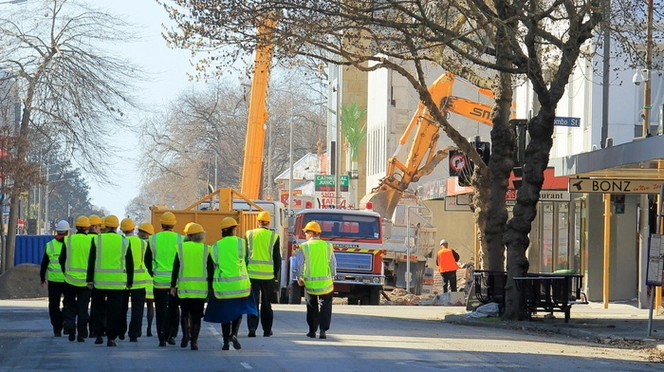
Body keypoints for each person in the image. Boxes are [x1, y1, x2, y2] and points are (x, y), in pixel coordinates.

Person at [204, 217, 257, 351]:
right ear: (233, 229)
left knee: (225, 314)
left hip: (223, 286)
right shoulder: (241, 243)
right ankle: (234, 334)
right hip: (240, 285)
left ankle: (226, 342)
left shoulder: (215, 246)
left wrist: (210, 286)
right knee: (238, 312)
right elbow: (247, 260)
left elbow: (211, 266)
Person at [89, 215, 134, 347]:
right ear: (116, 226)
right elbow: (129, 262)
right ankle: (111, 338)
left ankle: (98, 334)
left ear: (105, 226)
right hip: (117, 282)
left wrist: (89, 280)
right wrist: (130, 280)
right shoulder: (124, 241)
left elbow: (91, 261)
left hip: (100, 281)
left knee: (98, 308)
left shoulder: (98, 239)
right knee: (114, 311)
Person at [170, 223, 212, 350]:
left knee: (185, 313)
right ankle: (194, 342)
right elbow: (210, 269)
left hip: (184, 287)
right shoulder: (206, 249)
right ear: (200, 235)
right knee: (197, 316)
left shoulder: (181, 248)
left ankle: (185, 336)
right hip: (200, 289)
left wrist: (173, 285)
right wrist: (210, 287)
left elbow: (175, 268)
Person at [293, 221, 336, 339]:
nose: (305, 235)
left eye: (306, 232)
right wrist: (332, 277)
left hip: (310, 283)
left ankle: (312, 331)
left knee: (312, 307)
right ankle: (323, 330)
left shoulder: (305, 247)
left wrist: (299, 277)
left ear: (311, 233)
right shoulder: (327, 246)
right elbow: (333, 263)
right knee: (325, 307)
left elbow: (299, 265)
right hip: (326, 283)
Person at [150, 212, 183, 347]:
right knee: (174, 309)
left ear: (161, 223)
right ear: (174, 224)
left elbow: (147, 259)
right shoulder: (181, 239)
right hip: (175, 282)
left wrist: (153, 271)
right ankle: (172, 335)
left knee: (161, 310)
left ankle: (162, 337)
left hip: (159, 281)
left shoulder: (153, 239)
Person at [245, 211, 281, 338]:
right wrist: (274, 274)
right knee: (266, 304)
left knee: (253, 303)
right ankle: (267, 330)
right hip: (268, 276)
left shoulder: (249, 234)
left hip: (252, 275)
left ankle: (252, 329)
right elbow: (277, 258)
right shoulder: (274, 236)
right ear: (268, 222)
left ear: (258, 221)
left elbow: (245, 256)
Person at [60, 216, 93, 343]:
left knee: (69, 304)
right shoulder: (91, 241)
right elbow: (92, 261)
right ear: (88, 227)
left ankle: (70, 328)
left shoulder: (68, 240)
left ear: (76, 227)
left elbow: (62, 259)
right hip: (85, 281)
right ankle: (82, 332)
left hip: (69, 280)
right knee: (83, 307)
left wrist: (66, 272)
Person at [120, 218, 150, 342]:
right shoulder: (143, 243)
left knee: (122, 308)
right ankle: (134, 333)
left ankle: (121, 332)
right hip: (139, 281)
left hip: (123, 279)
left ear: (122, 229)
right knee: (137, 309)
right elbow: (147, 261)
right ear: (134, 229)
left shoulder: (121, 242)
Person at [39, 220, 69, 337]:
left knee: (54, 305)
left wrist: (42, 278)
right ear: (67, 232)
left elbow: (44, 263)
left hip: (53, 280)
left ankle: (57, 328)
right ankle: (67, 323)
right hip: (68, 279)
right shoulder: (71, 244)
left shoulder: (50, 245)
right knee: (69, 303)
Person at [137, 223, 155, 337]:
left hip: (140, 279)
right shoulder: (153, 245)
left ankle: (138, 329)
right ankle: (149, 329)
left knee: (139, 307)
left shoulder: (137, 244)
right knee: (150, 306)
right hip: (151, 279)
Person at [86, 214, 103, 338]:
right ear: (95, 227)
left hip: (80, 277)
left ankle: (81, 326)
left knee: (83, 305)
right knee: (97, 306)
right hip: (96, 277)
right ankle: (94, 329)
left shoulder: (83, 239)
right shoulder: (99, 241)